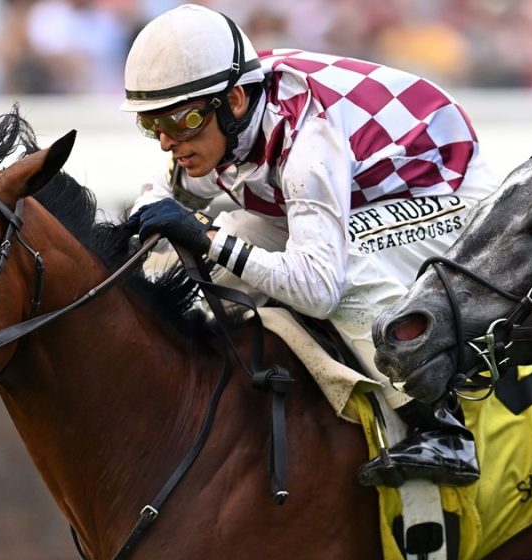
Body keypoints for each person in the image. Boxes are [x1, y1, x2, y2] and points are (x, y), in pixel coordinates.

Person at [120, 4, 499, 487]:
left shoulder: (307, 142)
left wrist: (203, 234)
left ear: (233, 102)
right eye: (152, 126)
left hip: (451, 195)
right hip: (375, 191)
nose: (167, 142)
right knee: (233, 231)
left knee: (339, 256)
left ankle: (440, 423)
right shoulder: (225, 118)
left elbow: (319, 287)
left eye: (182, 122)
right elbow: (162, 191)